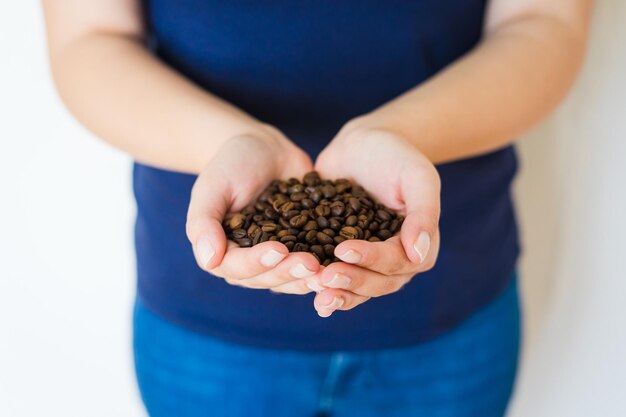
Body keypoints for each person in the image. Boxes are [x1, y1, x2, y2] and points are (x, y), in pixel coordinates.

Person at [42, 1, 592, 416]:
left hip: (450, 299)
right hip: (204, 322)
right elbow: (89, 38)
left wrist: (401, 131)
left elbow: (545, 23)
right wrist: (229, 139)